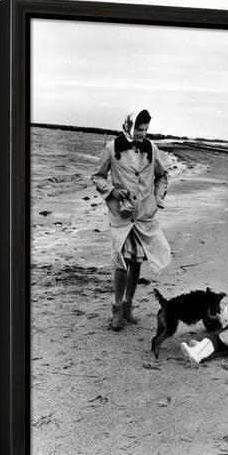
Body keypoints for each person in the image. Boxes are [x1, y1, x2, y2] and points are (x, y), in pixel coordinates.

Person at [91, 109, 171, 331]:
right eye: (139, 129)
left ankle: (128, 306)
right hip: (122, 215)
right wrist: (111, 191)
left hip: (144, 215)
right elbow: (97, 176)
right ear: (129, 126)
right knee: (121, 262)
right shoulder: (111, 148)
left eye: (146, 130)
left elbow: (162, 176)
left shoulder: (151, 149)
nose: (143, 134)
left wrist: (157, 200)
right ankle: (116, 308)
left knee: (136, 263)